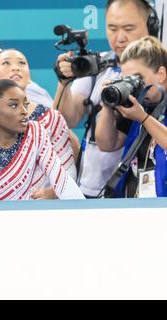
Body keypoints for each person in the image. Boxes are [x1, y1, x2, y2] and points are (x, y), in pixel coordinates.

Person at [53, 0, 158, 198]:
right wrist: (63, 82)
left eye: (129, 28)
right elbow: (69, 119)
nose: (120, 38)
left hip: (133, 191)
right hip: (88, 189)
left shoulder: (159, 69)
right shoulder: (94, 65)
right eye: (112, 28)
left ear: (151, 26)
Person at [0, 49, 77, 199]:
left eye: (22, 63)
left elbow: (68, 167)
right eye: (6, 63)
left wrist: (54, 192)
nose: (16, 67)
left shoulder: (51, 117)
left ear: (29, 77)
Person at [95, 36, 167, 197]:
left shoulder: (139, 112)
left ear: (161, 74)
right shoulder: (136, 106)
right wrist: (108, 105)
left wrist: (144, 118)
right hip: (135, 203)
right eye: (126, 78)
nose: (133, 85)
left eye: (138, 78)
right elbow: (107, 144)